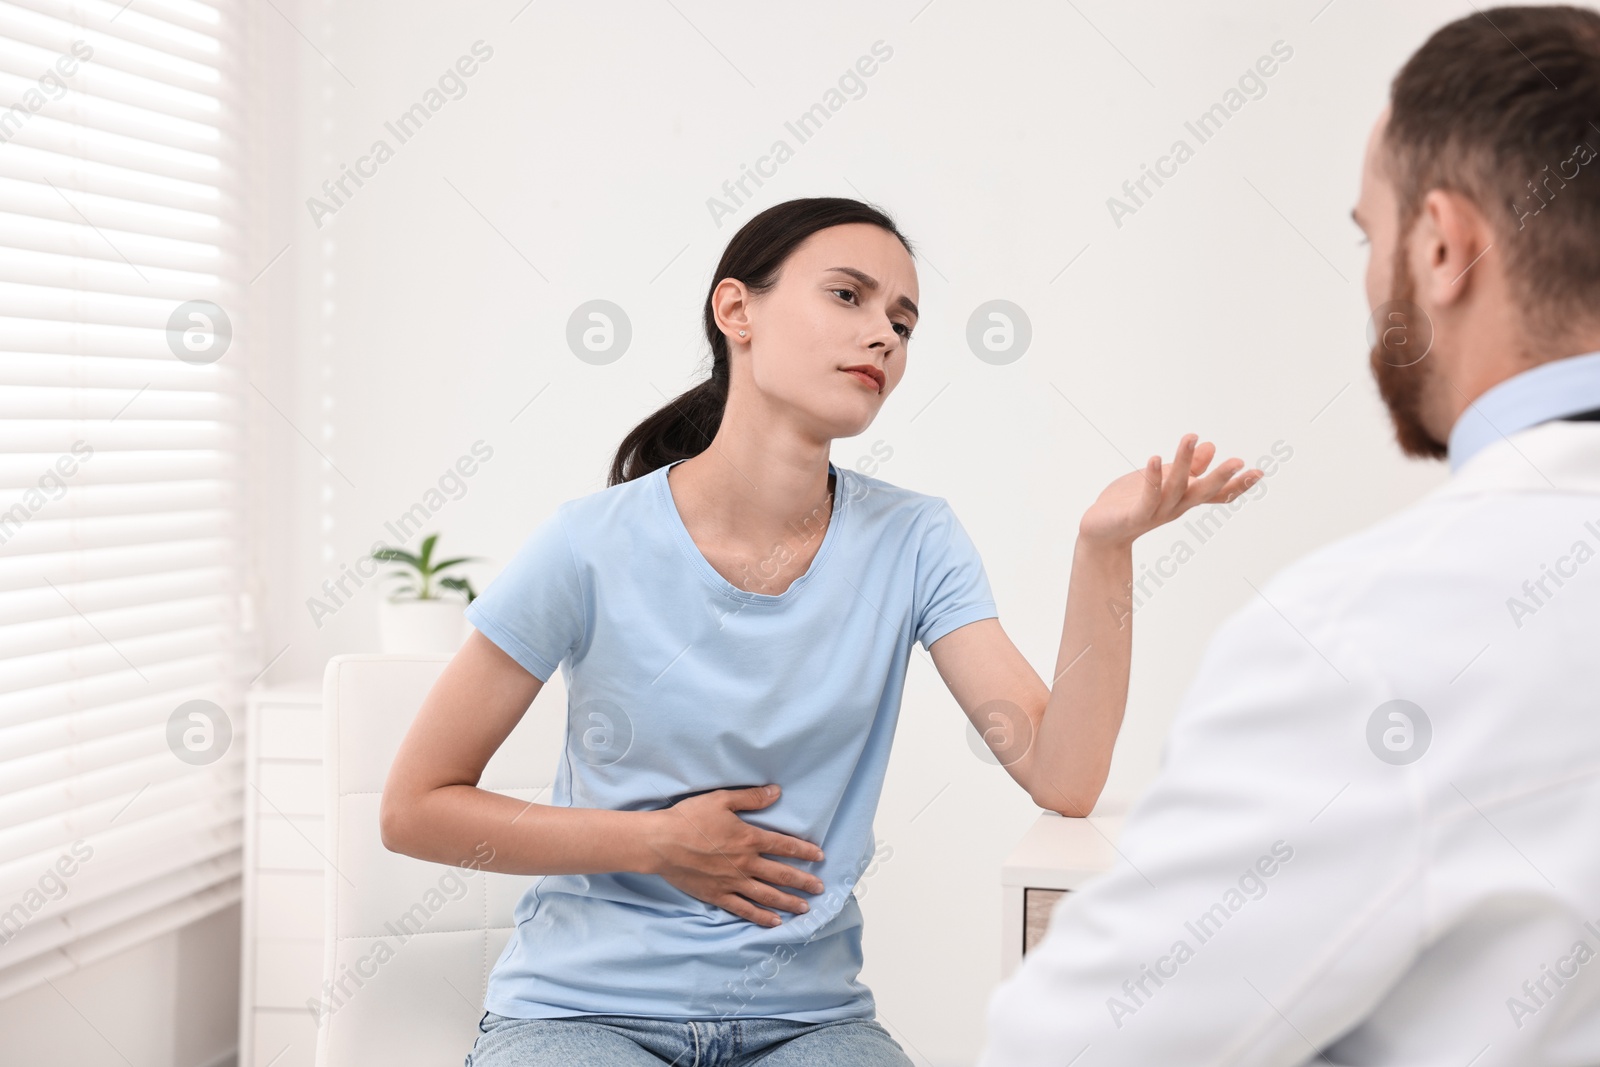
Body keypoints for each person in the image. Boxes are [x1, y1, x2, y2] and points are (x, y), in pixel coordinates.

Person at [379, 196, 1260, 1066]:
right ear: (738, 310)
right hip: (581, 1015)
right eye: (849, 295)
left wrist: (1101, 550)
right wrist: (653, 842)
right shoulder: (587, 544)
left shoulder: (915, 540)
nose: (884, 334)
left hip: (806, 1025)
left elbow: (1063, 776)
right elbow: (415, 807)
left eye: (903, 321)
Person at [977, 7, 1600, 1065]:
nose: (1368, 281)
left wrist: (1099, 549)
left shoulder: (1374, 638)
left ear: (1442, 245)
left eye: (1370, 235)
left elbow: (1067, 1048)